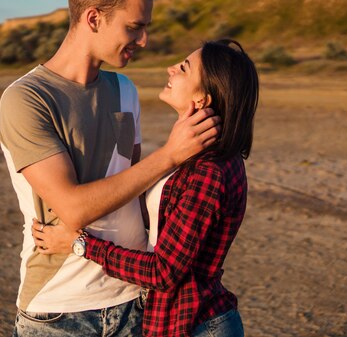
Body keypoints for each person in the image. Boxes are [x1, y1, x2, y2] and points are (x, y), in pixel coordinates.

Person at [0, 0, 220, 337]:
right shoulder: (27, 99)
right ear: (94, 18)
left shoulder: (125, 91)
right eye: (134, 28)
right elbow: (73, 208)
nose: (144, 41)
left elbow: (128, 185)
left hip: (135, 302)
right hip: (60, 312)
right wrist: (169, 155)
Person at [32, 39, 259, 337]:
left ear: (202, 98)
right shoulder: (193, 153)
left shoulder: (209, 170)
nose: (171, 68)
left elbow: (162, 272)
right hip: (183, 318)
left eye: (183, 68)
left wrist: (80, 244)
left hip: (199, 324)